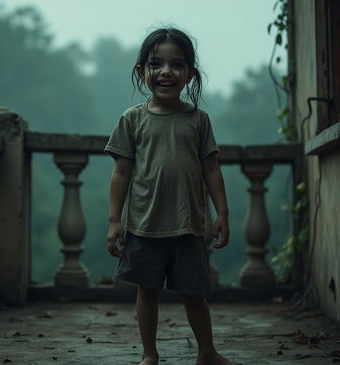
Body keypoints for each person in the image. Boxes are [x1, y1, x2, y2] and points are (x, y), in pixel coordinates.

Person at [104, 28, 239, 365]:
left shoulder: (198, 120)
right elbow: (121, 172)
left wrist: (221, 213)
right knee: (147, 292)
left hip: (189, 225)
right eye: (156, 64)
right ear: (142, 72)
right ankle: (150, 354)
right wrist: (114, 219)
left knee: (195, 294)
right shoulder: (132, 119)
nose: (166, 71)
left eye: (176, 65)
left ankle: (207, 352)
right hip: (144, 225)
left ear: (190, 74)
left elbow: (211, 170)